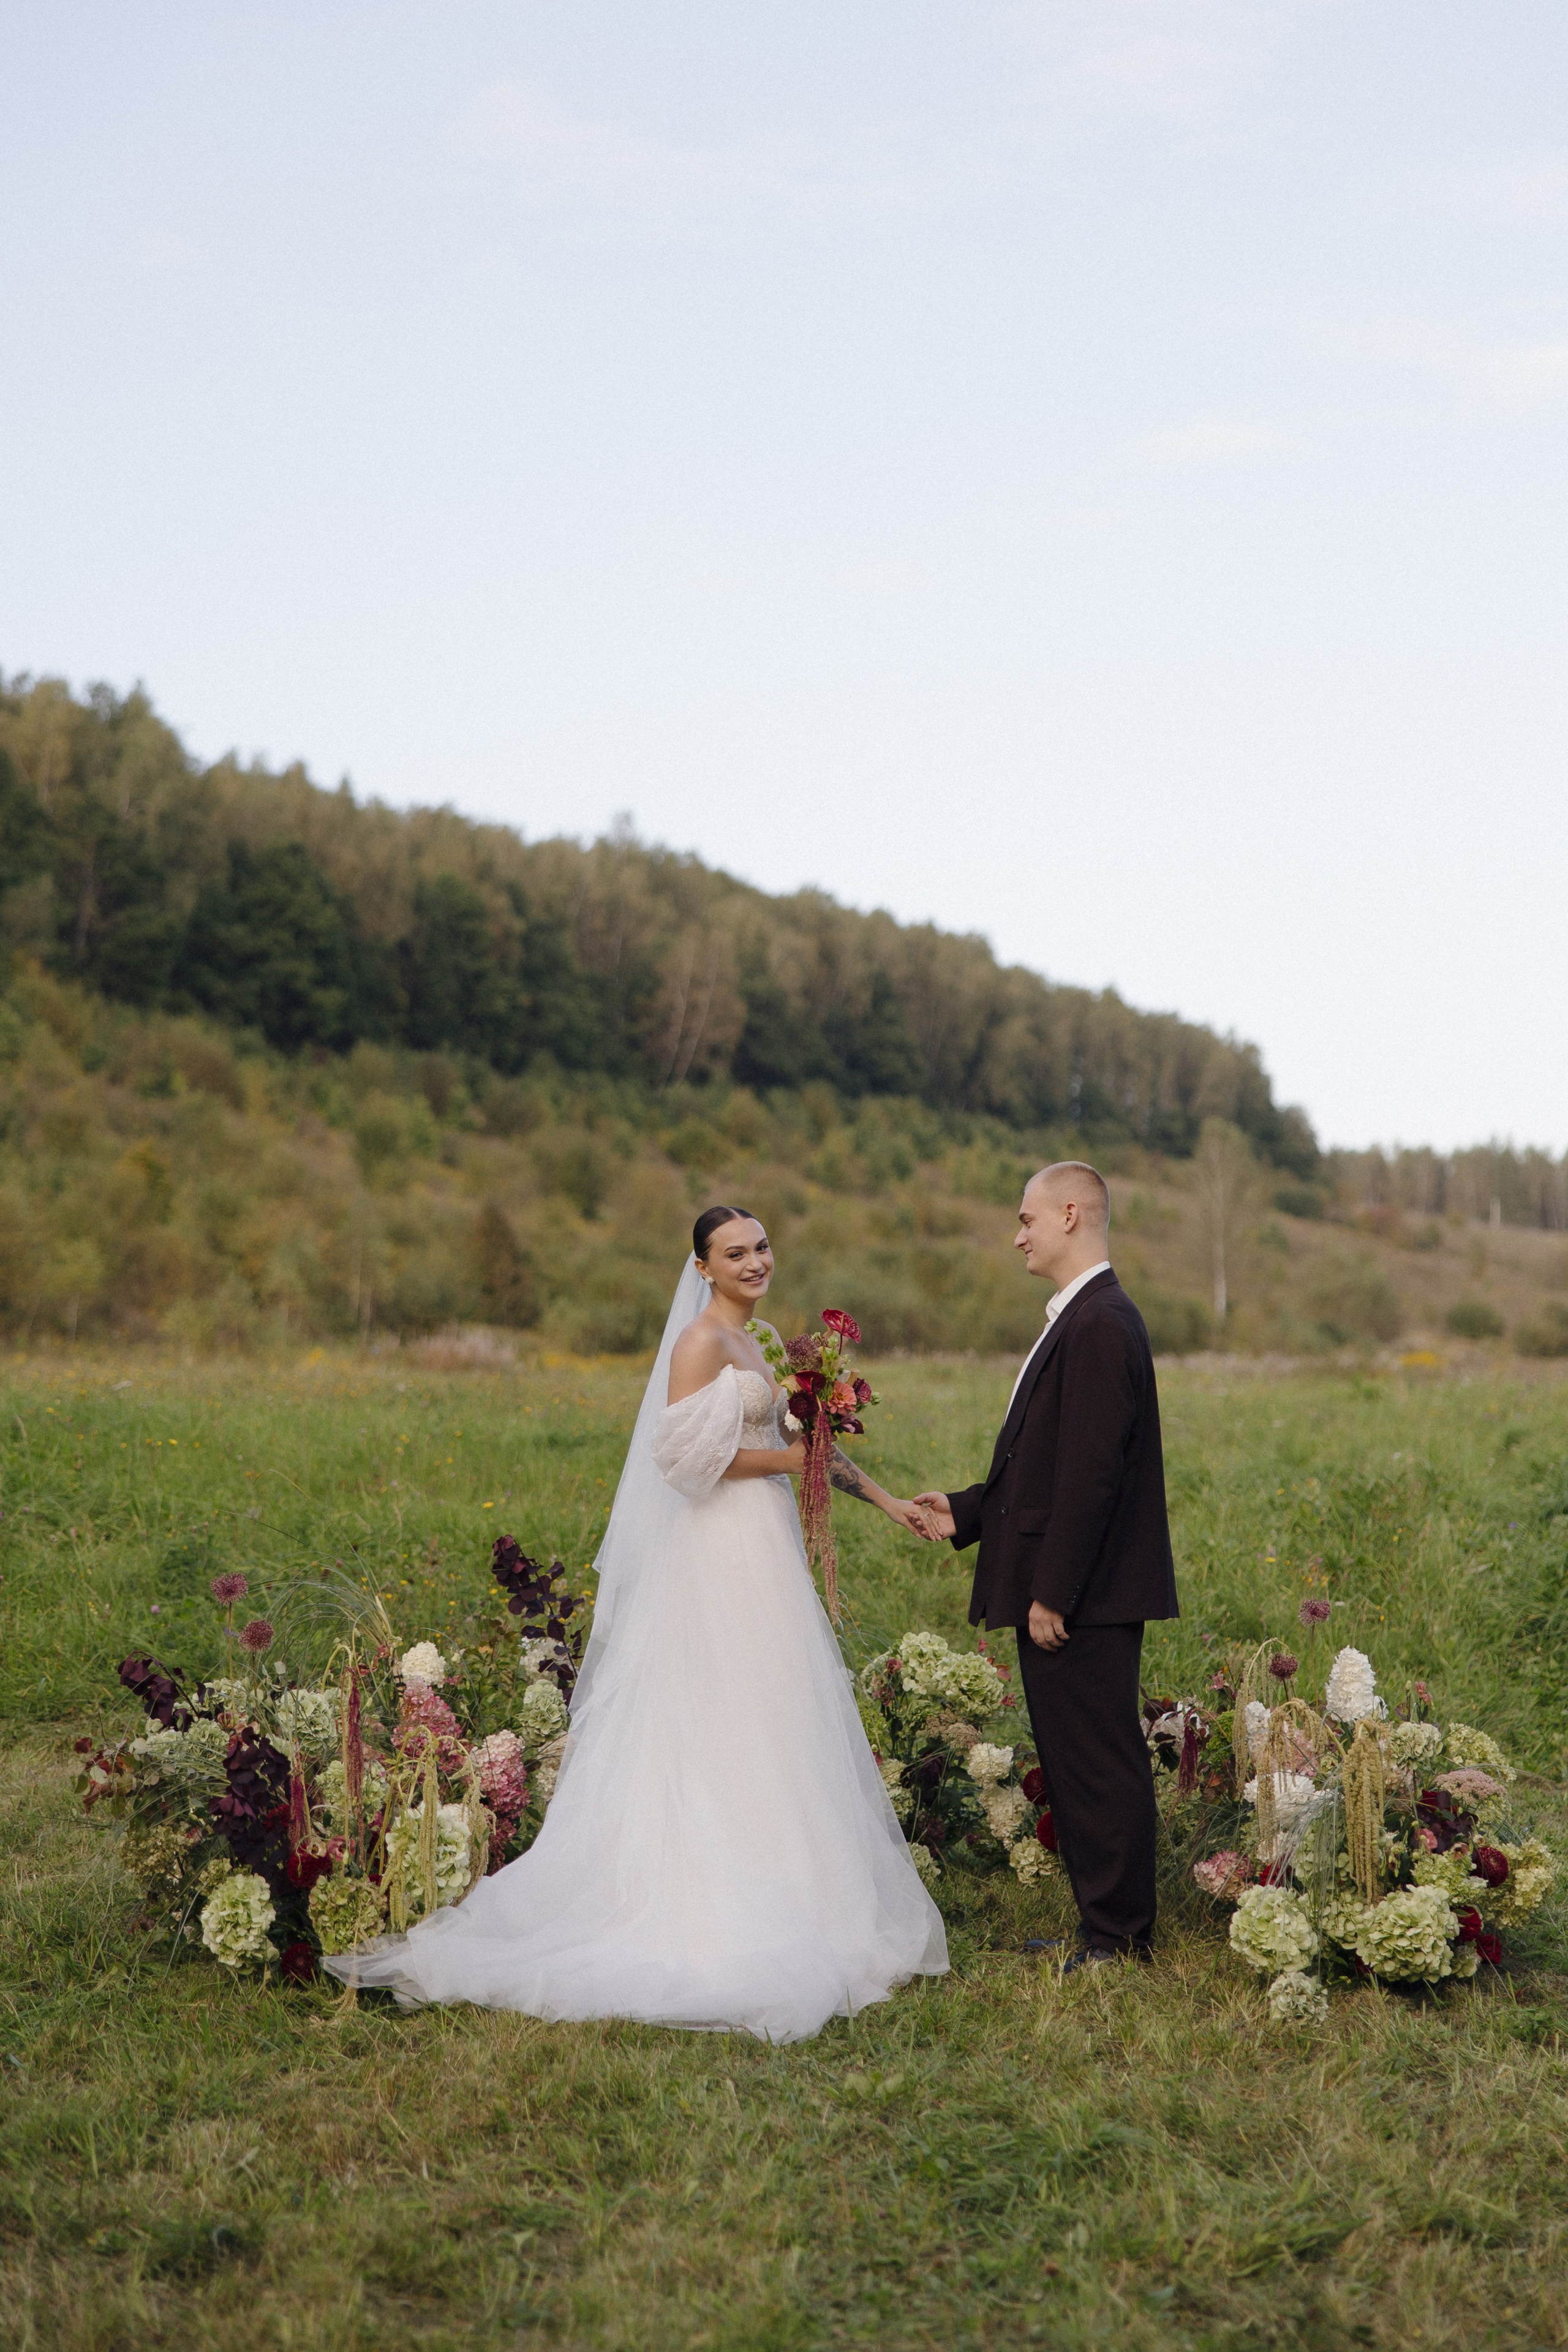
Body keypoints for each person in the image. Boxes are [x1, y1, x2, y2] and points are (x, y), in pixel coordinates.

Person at [324, 1207, 947, 2040]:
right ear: (703, 1266)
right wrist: (787, 1460)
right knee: (719, 1713)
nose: (756, 1261)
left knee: (777, 1709)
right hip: (716, 1550)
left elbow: (812, 1442)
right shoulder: (698, 1346)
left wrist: (886, 1500)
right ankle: (704, 1906)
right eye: (736, 1252)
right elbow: (688, 1463)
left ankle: (800, 1891)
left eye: (761, 1246)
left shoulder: (765, 1341)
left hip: (767, 1551)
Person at [915, 1163, 1177, 1969]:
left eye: (1027, 1218)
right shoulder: (1082, 1316)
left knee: (1097, 1764)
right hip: (1075, 1589)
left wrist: (1051, 1591)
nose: (1017, 1234)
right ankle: (1103, 1926)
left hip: (1083, 1596)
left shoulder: (1099, 1323)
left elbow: (1091, 1474)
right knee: (1074, 1760)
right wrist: (965, 1511)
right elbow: (1043, 1463)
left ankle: (1120, 1940)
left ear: (1071, 1215)